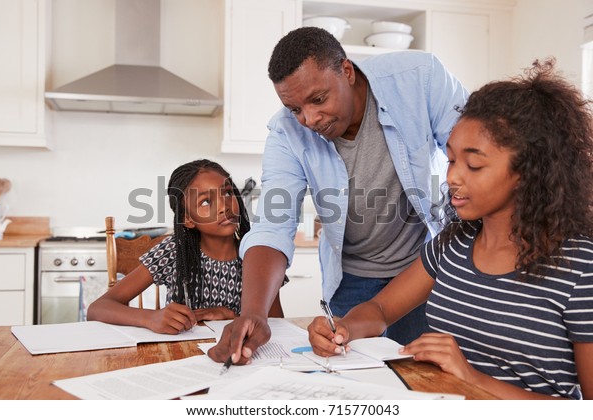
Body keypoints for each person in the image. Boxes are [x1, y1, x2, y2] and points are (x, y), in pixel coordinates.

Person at [307, 59, 593, 400]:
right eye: (452, 160)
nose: (453, 177)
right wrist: (345, 327)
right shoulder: (454, 245)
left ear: (529, 171)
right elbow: (381, 310)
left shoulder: (579, 268)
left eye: (473, 165)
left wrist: (471, 378)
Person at [208, 27, 468, 364]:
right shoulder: (286, 132)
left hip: (424, 269)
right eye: (295, 109)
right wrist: (254, 312)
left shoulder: (419, 79)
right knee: (357, 377)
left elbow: (475, 152)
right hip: (352, 280)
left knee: (427, 379)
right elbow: (273, 225)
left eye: (318, 100)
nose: (309, 119)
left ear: (346, 71)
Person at [87, 159, 284, 334]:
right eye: (206, 201)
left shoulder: (258, 253)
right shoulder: (173, 252)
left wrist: (232, 316)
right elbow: (98, 308)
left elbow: (277, 325)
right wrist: (150, 318)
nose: (224, 206)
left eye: (227, 193)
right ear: (188, 219)